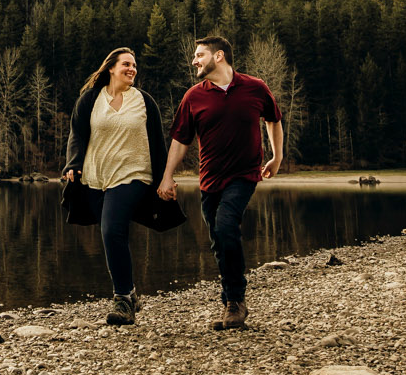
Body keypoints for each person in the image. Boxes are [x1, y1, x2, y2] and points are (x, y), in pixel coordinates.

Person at [157, 35, 281, 330]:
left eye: (199, 55)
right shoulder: (194, 96)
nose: (194, 61)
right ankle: (229, 301)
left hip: (243, 175)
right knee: (218, 240)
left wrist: (276, 157)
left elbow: (273, 119)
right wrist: (167, 175)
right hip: (209, 179)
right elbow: (180, 140)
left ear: (219, 56)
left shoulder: (254, 87)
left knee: (226, 225)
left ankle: (236, 301)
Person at [63, 47, 169, 326]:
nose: (132, 69)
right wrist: (72, 165)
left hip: (134, 175)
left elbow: (158, 143)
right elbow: (77, 135)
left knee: (111, 229)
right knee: (113, 234)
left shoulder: (144, 102)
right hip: (96, 178)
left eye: (134, 65)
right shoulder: (90, 100)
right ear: (111, 67)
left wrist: (165, 178)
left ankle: (122, 300)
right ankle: (131, 293)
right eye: (126, 64)